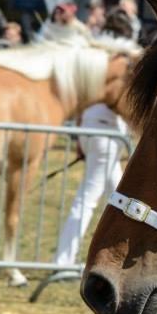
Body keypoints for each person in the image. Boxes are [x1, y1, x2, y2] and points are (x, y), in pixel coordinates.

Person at [52, 101, 128, 268]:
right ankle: (63, 262)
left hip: (91, 124)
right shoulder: (120, 76)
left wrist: (81, 135)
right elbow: (121, 102)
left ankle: (123, 255)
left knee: (119, 199)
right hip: (107, 132)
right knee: (87, 200)